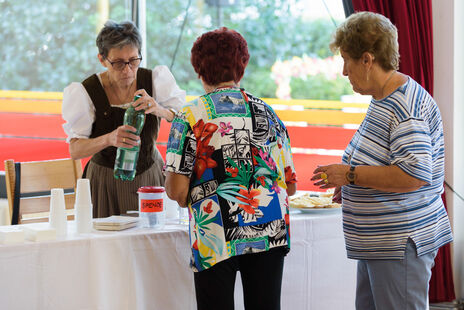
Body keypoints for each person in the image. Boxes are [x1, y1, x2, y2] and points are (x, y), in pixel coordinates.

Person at [311, 12, 453, 310]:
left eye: (346, 60)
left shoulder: (404, 106)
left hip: (399, 243)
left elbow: (413, 175)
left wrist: (350, 176)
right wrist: (349, 185)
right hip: (381, 243)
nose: (344, 72)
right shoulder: (384, 97)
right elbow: (381, 160)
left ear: (367, 59)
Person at [164, 27, 297, 310]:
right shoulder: (268, 114)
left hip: (215, 231)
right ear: (242, 66)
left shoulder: (189, 116)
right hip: (269, 228)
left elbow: (176, 190)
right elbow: (291, 185)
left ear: (199, 70)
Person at [62, 20, 185, 217]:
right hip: (104, 182)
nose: (127, 70)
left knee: (151, 242)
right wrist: (109, 139)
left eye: (133, 60)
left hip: (149, 176)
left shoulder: (154, 80)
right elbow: (75, 150)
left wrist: (158, 109)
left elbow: (182, 118)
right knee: (105, 244)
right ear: (102, 59)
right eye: (118, 63)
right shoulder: (86, 91)